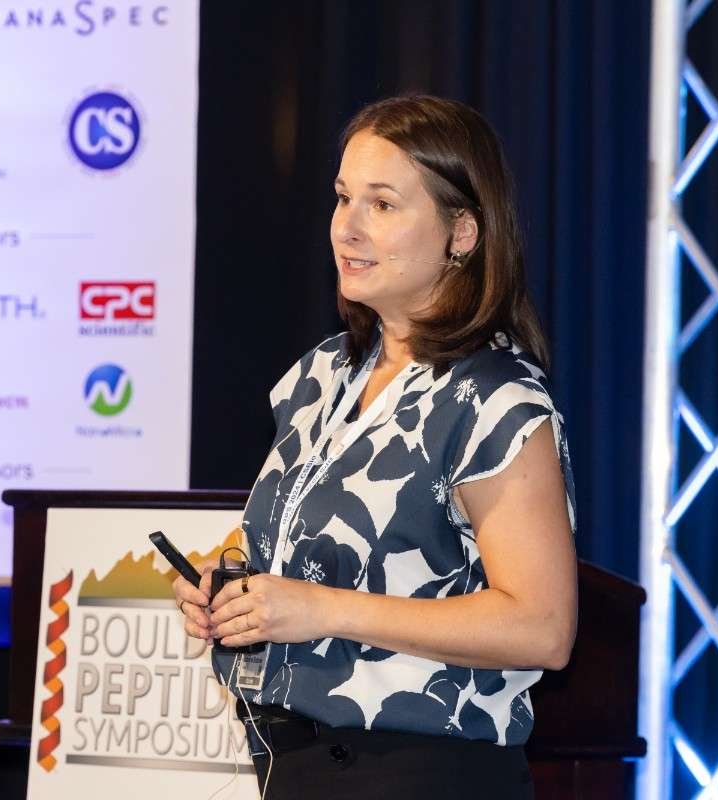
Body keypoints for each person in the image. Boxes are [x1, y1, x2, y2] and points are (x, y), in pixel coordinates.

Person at [172, 95, 577, 799]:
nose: (347, 228)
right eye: (342, 198)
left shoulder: (494, 401)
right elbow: (299, 562)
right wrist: (231, 587)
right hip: (292, 765)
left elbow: (542, 626)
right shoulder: (321, 376)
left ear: (462, 233)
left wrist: (321, 608)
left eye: (383, 205)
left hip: (420, 774)